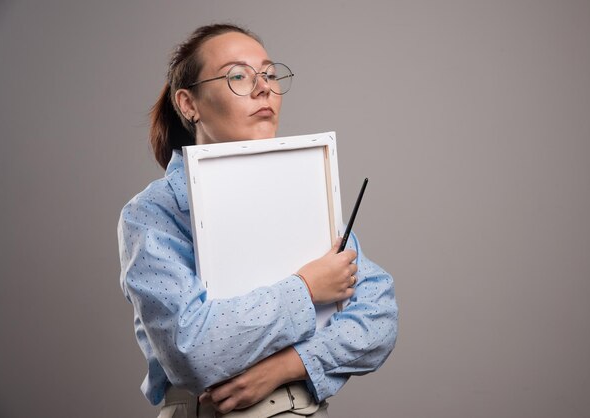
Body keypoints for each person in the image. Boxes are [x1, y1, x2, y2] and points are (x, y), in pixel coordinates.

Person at [118, 23, 398, 418]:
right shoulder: (154, 213)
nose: (263, 87)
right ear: (188, 104)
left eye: (268, 74)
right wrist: (305, 288)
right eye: (237, 76)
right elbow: (192, 348)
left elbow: (378, 318)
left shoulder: (307, 192)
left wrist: (285, 367)